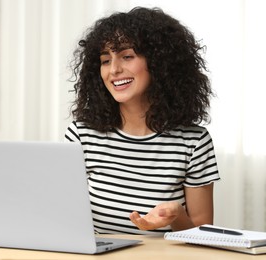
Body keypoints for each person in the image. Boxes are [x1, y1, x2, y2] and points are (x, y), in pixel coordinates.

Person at [64, 6, 220, 235]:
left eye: (127, 56)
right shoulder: (81, 134)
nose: (114, 69)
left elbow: (204, 236)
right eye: (105, 60)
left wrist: (177, 215)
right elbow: (65, 219)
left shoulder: (194, 142)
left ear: (159, 63)